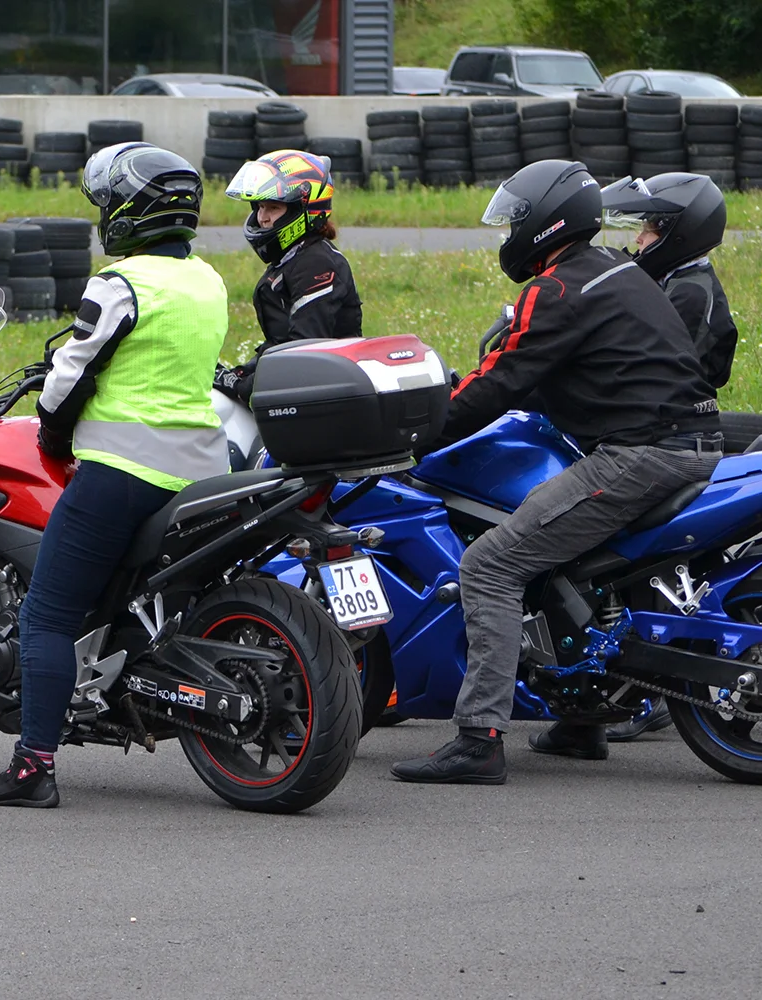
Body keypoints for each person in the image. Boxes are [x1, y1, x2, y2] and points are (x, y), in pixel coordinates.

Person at [388, 160, 724, 785]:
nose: (507, 233)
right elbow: (577, 373)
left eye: (515, 220)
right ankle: (581, 720)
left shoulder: (556, 289)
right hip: (692, 442)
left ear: (546, 223)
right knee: (569, 562)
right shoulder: (618, 270)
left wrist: (412, 435)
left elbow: (501, 380)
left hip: (639, 455)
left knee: (490, 563)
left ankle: (478, 739)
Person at [0, 142, 229, 808]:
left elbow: (70, 377)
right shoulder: (208, 279)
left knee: (46, 615)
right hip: (202, 470)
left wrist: (52, 431)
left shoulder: (121, 283)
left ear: (128, 211)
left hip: (124, 469)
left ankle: (33, 766)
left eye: (107, 204)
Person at [597, 171, 735, 743]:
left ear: (679, 233)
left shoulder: (688, 290)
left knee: (624, 548)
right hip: (669, 425)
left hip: (668, 434)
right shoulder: (680, 280)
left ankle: (646, 691)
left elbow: (648, 364)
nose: (639, 242)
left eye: (650, 231)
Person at [213, 150, 362, 404]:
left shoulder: (317, 264)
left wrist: (242, 387)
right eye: (260, 206)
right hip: (302, 384)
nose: (263, 217)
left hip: (326, 395)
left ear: (302, 209)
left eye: (273, 207)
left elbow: (303, 350)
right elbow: (280, 345)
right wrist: (240, 373)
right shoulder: (294, 258)